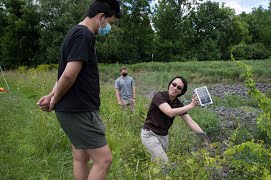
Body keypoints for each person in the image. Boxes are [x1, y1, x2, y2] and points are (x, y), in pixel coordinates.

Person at [36, 0, 121, 179]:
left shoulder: (75, 32)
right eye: (110, 23)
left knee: (80, 156)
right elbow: (68, 75)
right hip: (80, 110)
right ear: (101, 17)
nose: (108, 28)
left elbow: (65, 73)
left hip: (73, 109)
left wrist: (52, 95)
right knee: (104, 160)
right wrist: (54, 99)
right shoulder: (84, 35)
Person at [141, 76, 207, 163]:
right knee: (163, 162)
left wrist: (206, 139)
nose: (175, 88)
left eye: (179, 88)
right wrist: (191, 105)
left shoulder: (178, 104)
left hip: (164, 136)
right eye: (174, 84)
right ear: (170, 84)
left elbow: (191, 122)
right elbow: (170, 112)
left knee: (156, 163)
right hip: (150, 134)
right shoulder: (159, 96)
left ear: (181, 92)